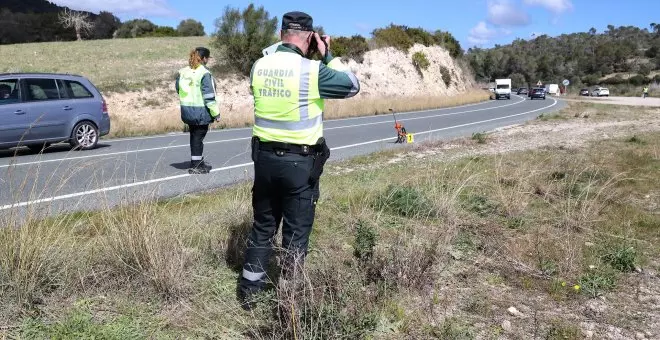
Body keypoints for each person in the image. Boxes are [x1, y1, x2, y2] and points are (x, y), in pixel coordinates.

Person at [238, 11, 360, 309]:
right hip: (299, 164)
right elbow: (352, 85)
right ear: (309, 38)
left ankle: (248, 295)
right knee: (296, 231)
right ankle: (288, 298)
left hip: (264, 160)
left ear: (281, 34)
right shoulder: (313, 70)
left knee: (263, 226)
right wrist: (328, 54)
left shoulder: (258, 66)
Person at [175, 47, 220, 174]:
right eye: (208, 58)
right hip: (200, 112)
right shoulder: (204, 73)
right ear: (204, 58)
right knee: (198, 138)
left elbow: (178, 88)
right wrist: (216, 113)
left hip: (187, 111)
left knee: (194, 136)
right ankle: (196, 165)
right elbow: (209, 96)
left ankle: (197, 161)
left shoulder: (183, 72)